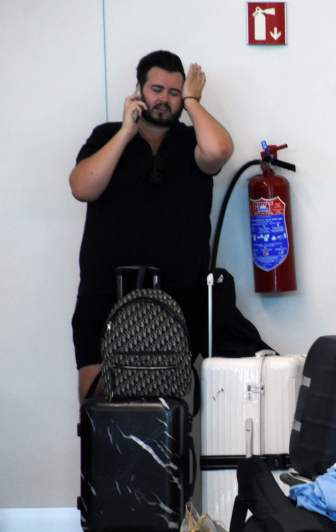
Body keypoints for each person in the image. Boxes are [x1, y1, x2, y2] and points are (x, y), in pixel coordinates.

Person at [69, 50, 233, 400]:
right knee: (98, 405)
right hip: (105, 293)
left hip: (177, 297)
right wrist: (127, 132)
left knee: (170, 409)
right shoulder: (107, 135)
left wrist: (193, 102)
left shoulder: (191, 142)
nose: (165, 99)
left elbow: (219, 150)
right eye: (157, 89)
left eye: (175, 93)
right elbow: (82, 187)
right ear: (139, 90)